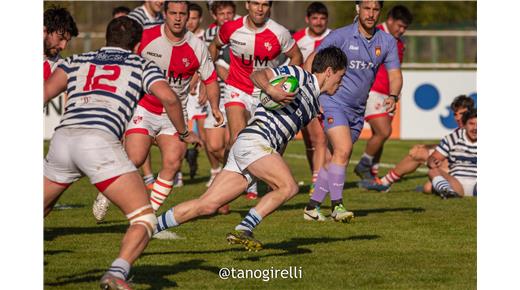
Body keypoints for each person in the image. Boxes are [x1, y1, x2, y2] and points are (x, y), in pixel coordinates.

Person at [44, 16, 201, 289]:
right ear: (139, 44)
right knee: (144, 218)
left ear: (106, 38)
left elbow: (43, 92)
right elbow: (169, 97)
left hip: (63, 140)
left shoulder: (74, 60)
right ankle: (117, 273)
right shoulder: (141, 63)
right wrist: (184, 132)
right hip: (99, 141)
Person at [153, 47, 347, 251]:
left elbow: (284, 135)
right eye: (340, 76)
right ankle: (245, 227)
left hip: (254, 147)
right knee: (289, 187)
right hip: (255, 140)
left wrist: (274, 158)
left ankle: (149, 227)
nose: (340, 83)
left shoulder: (314, 103)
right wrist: (272, 90)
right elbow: (258, 74)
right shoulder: (299, 75)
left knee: (207, 205)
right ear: (328, 71)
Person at [93, 1, 223, 218]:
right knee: (134, 158)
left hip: (175, 113)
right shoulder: (146, 37)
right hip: (144, 108)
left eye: (183, 14)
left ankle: (148, 216)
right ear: (165, 14)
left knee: (173, 161)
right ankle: (106, 194)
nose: (178, 18)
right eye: (173, 13)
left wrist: (215, 107)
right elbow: (124, 61)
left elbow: (210, 79)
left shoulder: (197, 46)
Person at [303, 0, 402, 222]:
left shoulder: (386, 41)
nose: (371, 13)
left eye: (376, 9)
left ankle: (312, 207)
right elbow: (313, 60)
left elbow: (395, 74)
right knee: (344, 150)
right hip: (332, 102)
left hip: (358, 111)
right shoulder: (341, 36)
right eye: (367, 8)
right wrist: (310, 91)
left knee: (336, 158)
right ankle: (337, 206)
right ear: (358, 9)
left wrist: (394, 96)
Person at [209, 0, 303, 200]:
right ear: (247, 5)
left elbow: (296, 56)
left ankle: (267, 181)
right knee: (236, 139)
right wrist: (209, 73)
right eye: (256, 3)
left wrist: (286, 82)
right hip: (238, 88)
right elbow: (214, 47)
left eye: (265, 4)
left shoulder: (279, 33)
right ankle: (229, 190)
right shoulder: (230, 28)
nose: (260, 8)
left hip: (266, 92)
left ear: (270, 7)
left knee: (274, 142)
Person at [359, 95, 475, 192]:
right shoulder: (460, 131)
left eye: (462, 113)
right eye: (455, 114)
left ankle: (383, 181)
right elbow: (449, 145)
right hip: (454, 167)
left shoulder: (473, 128)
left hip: (466, 171)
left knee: (428, 186)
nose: (458, 118)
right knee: (419, 153)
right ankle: (384, 182)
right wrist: (426, 147)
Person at [354, 5, 413, 181]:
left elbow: (394, 71)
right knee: (384, 131)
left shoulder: (399, 43)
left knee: (380, 135)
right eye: (399, 26)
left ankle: (372, 173)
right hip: (371, 91)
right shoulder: (374, 33)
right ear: (390, 20)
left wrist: (395, 94)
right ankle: (364, 164)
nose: (402, 30)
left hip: (389, 95)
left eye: (405, 28)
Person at [292, 2, 331, 195]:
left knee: (320, 138)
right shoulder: (297, 39)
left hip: (325, 94)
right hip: (303, 94)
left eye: (322, 18)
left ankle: (317, 181)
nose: (318, 22)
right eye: (314, 18)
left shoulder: (334, 37)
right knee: (309, 141)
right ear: (308, 19)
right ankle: (315, 176)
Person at [201, 1, 237, 188]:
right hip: (216, 92)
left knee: (234, 141)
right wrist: (200, 85)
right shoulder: (208, 35)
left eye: (229, 13)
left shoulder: (241, 29)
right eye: (221, 13)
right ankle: (234, 174)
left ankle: (238, 181)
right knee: (214, 145)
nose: (226, 17)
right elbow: (205, 62)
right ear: (214, 16)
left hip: (238, 92)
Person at [427, 108, 477, 198]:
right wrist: (433, 162)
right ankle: (448, 192)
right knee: (433, 171)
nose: (475, 128)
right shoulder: (452, 138)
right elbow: (432, 158)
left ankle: (442, 190)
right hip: (456, 183)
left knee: (427, 187)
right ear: (465, 125)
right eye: (471, 124)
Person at [44, 7, 78, 81]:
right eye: (60, 38)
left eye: (67, 41)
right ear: (44, 31)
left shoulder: (60, 68)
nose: (63, 46)